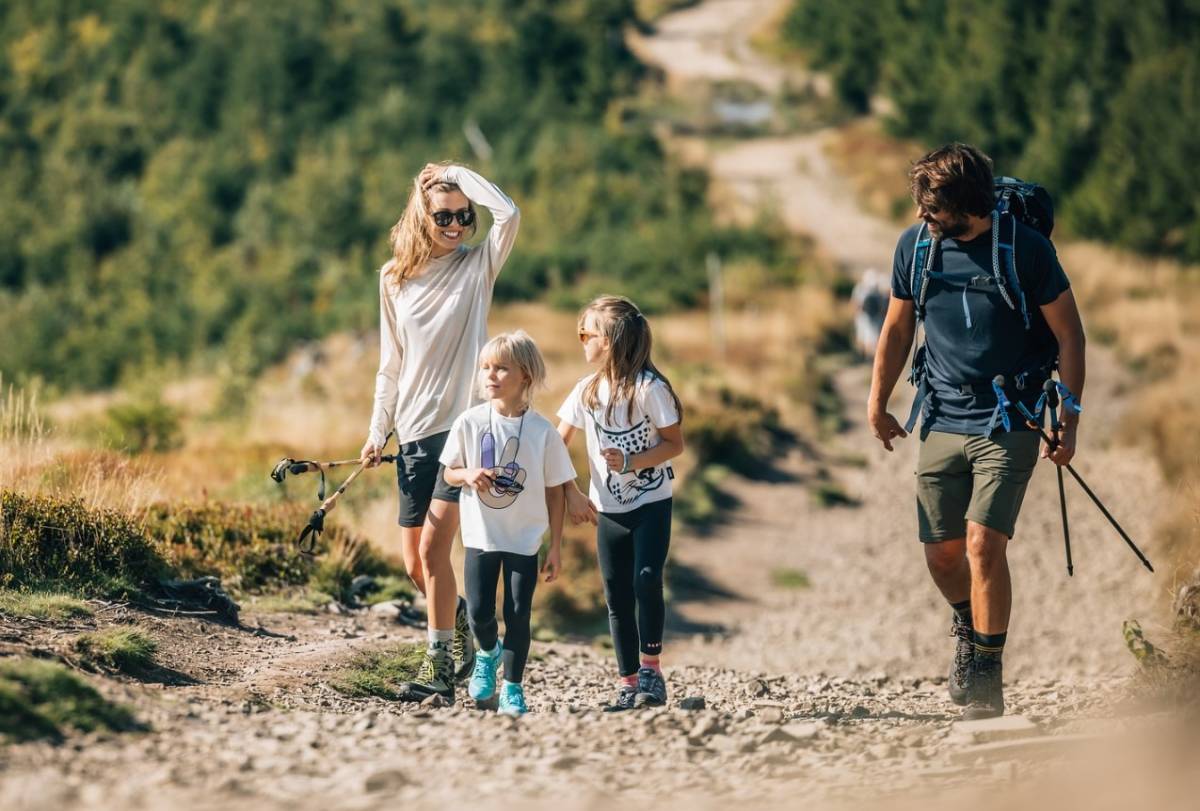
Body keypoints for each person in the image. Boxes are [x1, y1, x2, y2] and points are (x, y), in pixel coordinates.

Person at [867, 144, 1085, 719]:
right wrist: (877, 401)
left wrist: (1068, 417)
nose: (923, 217)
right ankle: (967, 624)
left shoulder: (1025, 250)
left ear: (965, 204)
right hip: (940, 413)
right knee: (942, 554)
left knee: (984, 545)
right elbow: (895, 327)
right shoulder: (915, 248)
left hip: (1007, 416)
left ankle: (987, 677)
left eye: (933, 207)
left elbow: (1070, 335)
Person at [360, 161, 520, 701]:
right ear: (421, 216)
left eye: (463, 216)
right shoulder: (393, 278)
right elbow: (390, 363)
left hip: (463, 431)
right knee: (414, 565)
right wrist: (377, 428)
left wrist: (451, 172)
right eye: (443, 216)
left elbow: (510, 212)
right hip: (411, 432)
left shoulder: (479, 267)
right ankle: (478, 639)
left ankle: (438, 670)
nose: (455, 226)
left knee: (432, 554)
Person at [557, 295, 685, 711]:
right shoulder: (585, 391)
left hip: (651, 502)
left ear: (608, 341)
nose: (580, 342)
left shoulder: (651, 389)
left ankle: (652, 670)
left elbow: (674, 444)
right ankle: (628, 680)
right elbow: (557, 445)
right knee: (615, 594)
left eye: (585, 334)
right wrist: (571, 490)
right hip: (607, 508)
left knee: (646, 579)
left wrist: (632, 461)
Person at [440, 331, 575, 714]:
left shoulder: (542, 432)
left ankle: (514, 690)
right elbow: (449, 473)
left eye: (501, 368)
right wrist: (467, 474)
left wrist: (556, 546)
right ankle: (487, 653)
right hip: (481, 534)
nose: (491, 375)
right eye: (485, 367)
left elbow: (555, 491)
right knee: (480, 611)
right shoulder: (468, 422)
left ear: (526, 377)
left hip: (525, 540)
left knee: (518, 614)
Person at [851, 268, 889, 357]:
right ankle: (865, 355)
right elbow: (855, 304)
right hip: (864, 317)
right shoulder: (860, 289)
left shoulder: (878, 292)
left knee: (873, 337)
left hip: (875, 318)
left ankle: (873, 356)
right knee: (864, 336)